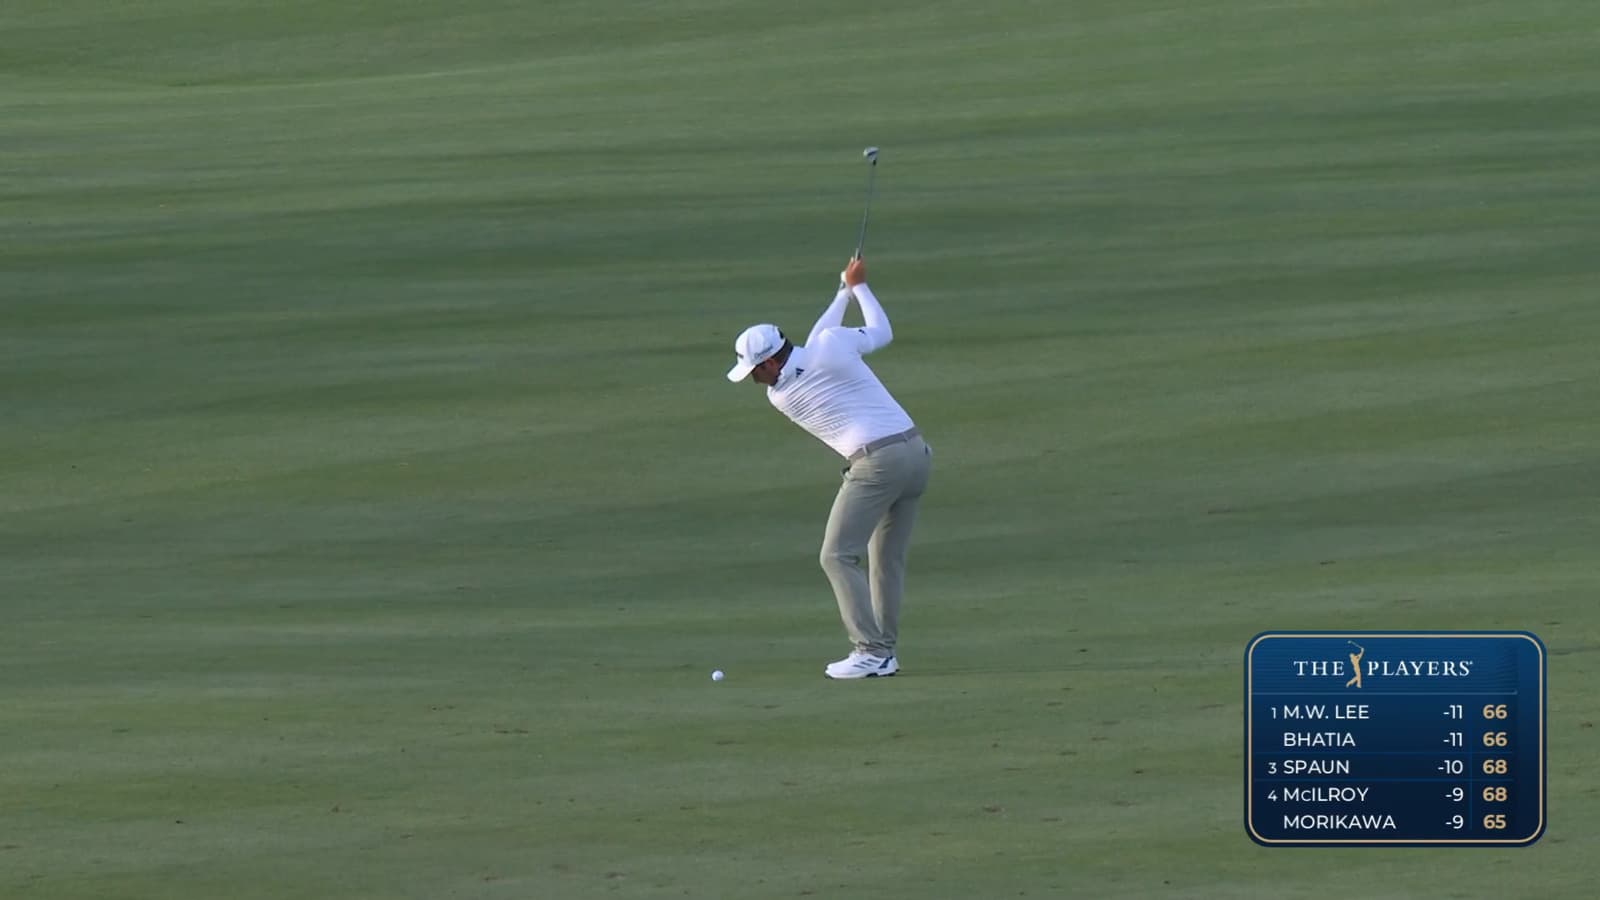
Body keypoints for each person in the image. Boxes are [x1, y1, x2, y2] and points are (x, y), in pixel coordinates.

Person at [725, 257, 932, 679]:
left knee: (836, 555)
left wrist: (846, 291)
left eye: (754, 371)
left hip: (877, 464)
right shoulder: (828, 349)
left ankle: (870, 650)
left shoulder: (782, 394)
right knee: (886, 561)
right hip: (915, 454)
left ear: (770, 364)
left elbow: (815, 342)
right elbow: (873, 332)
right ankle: (884, 653)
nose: (754, 380)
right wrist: (856, 289)